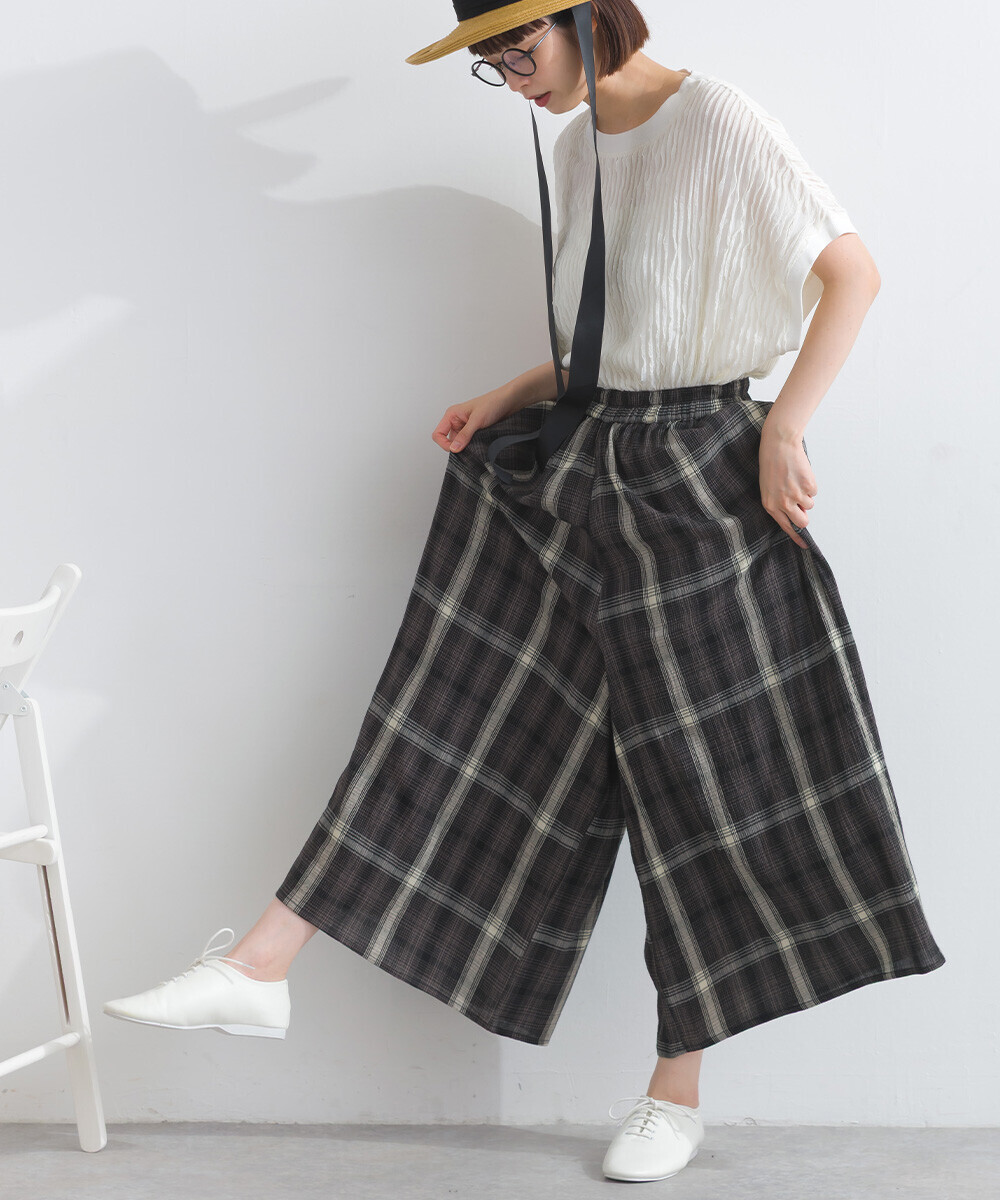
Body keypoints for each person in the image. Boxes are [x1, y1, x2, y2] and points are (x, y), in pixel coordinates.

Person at [104, 0, 946, 1184]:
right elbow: (614, 339)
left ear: (584, 13)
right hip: (587, 458)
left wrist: (784, 428)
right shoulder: (574, 147)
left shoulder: (716, 118)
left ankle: (675, 1093)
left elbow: (851, 276)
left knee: (696, 780)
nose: (512, 81)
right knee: (452, 706)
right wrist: (512, 392)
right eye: (489, 65)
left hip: (701, 476)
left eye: (518, 51)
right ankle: (261, 963)